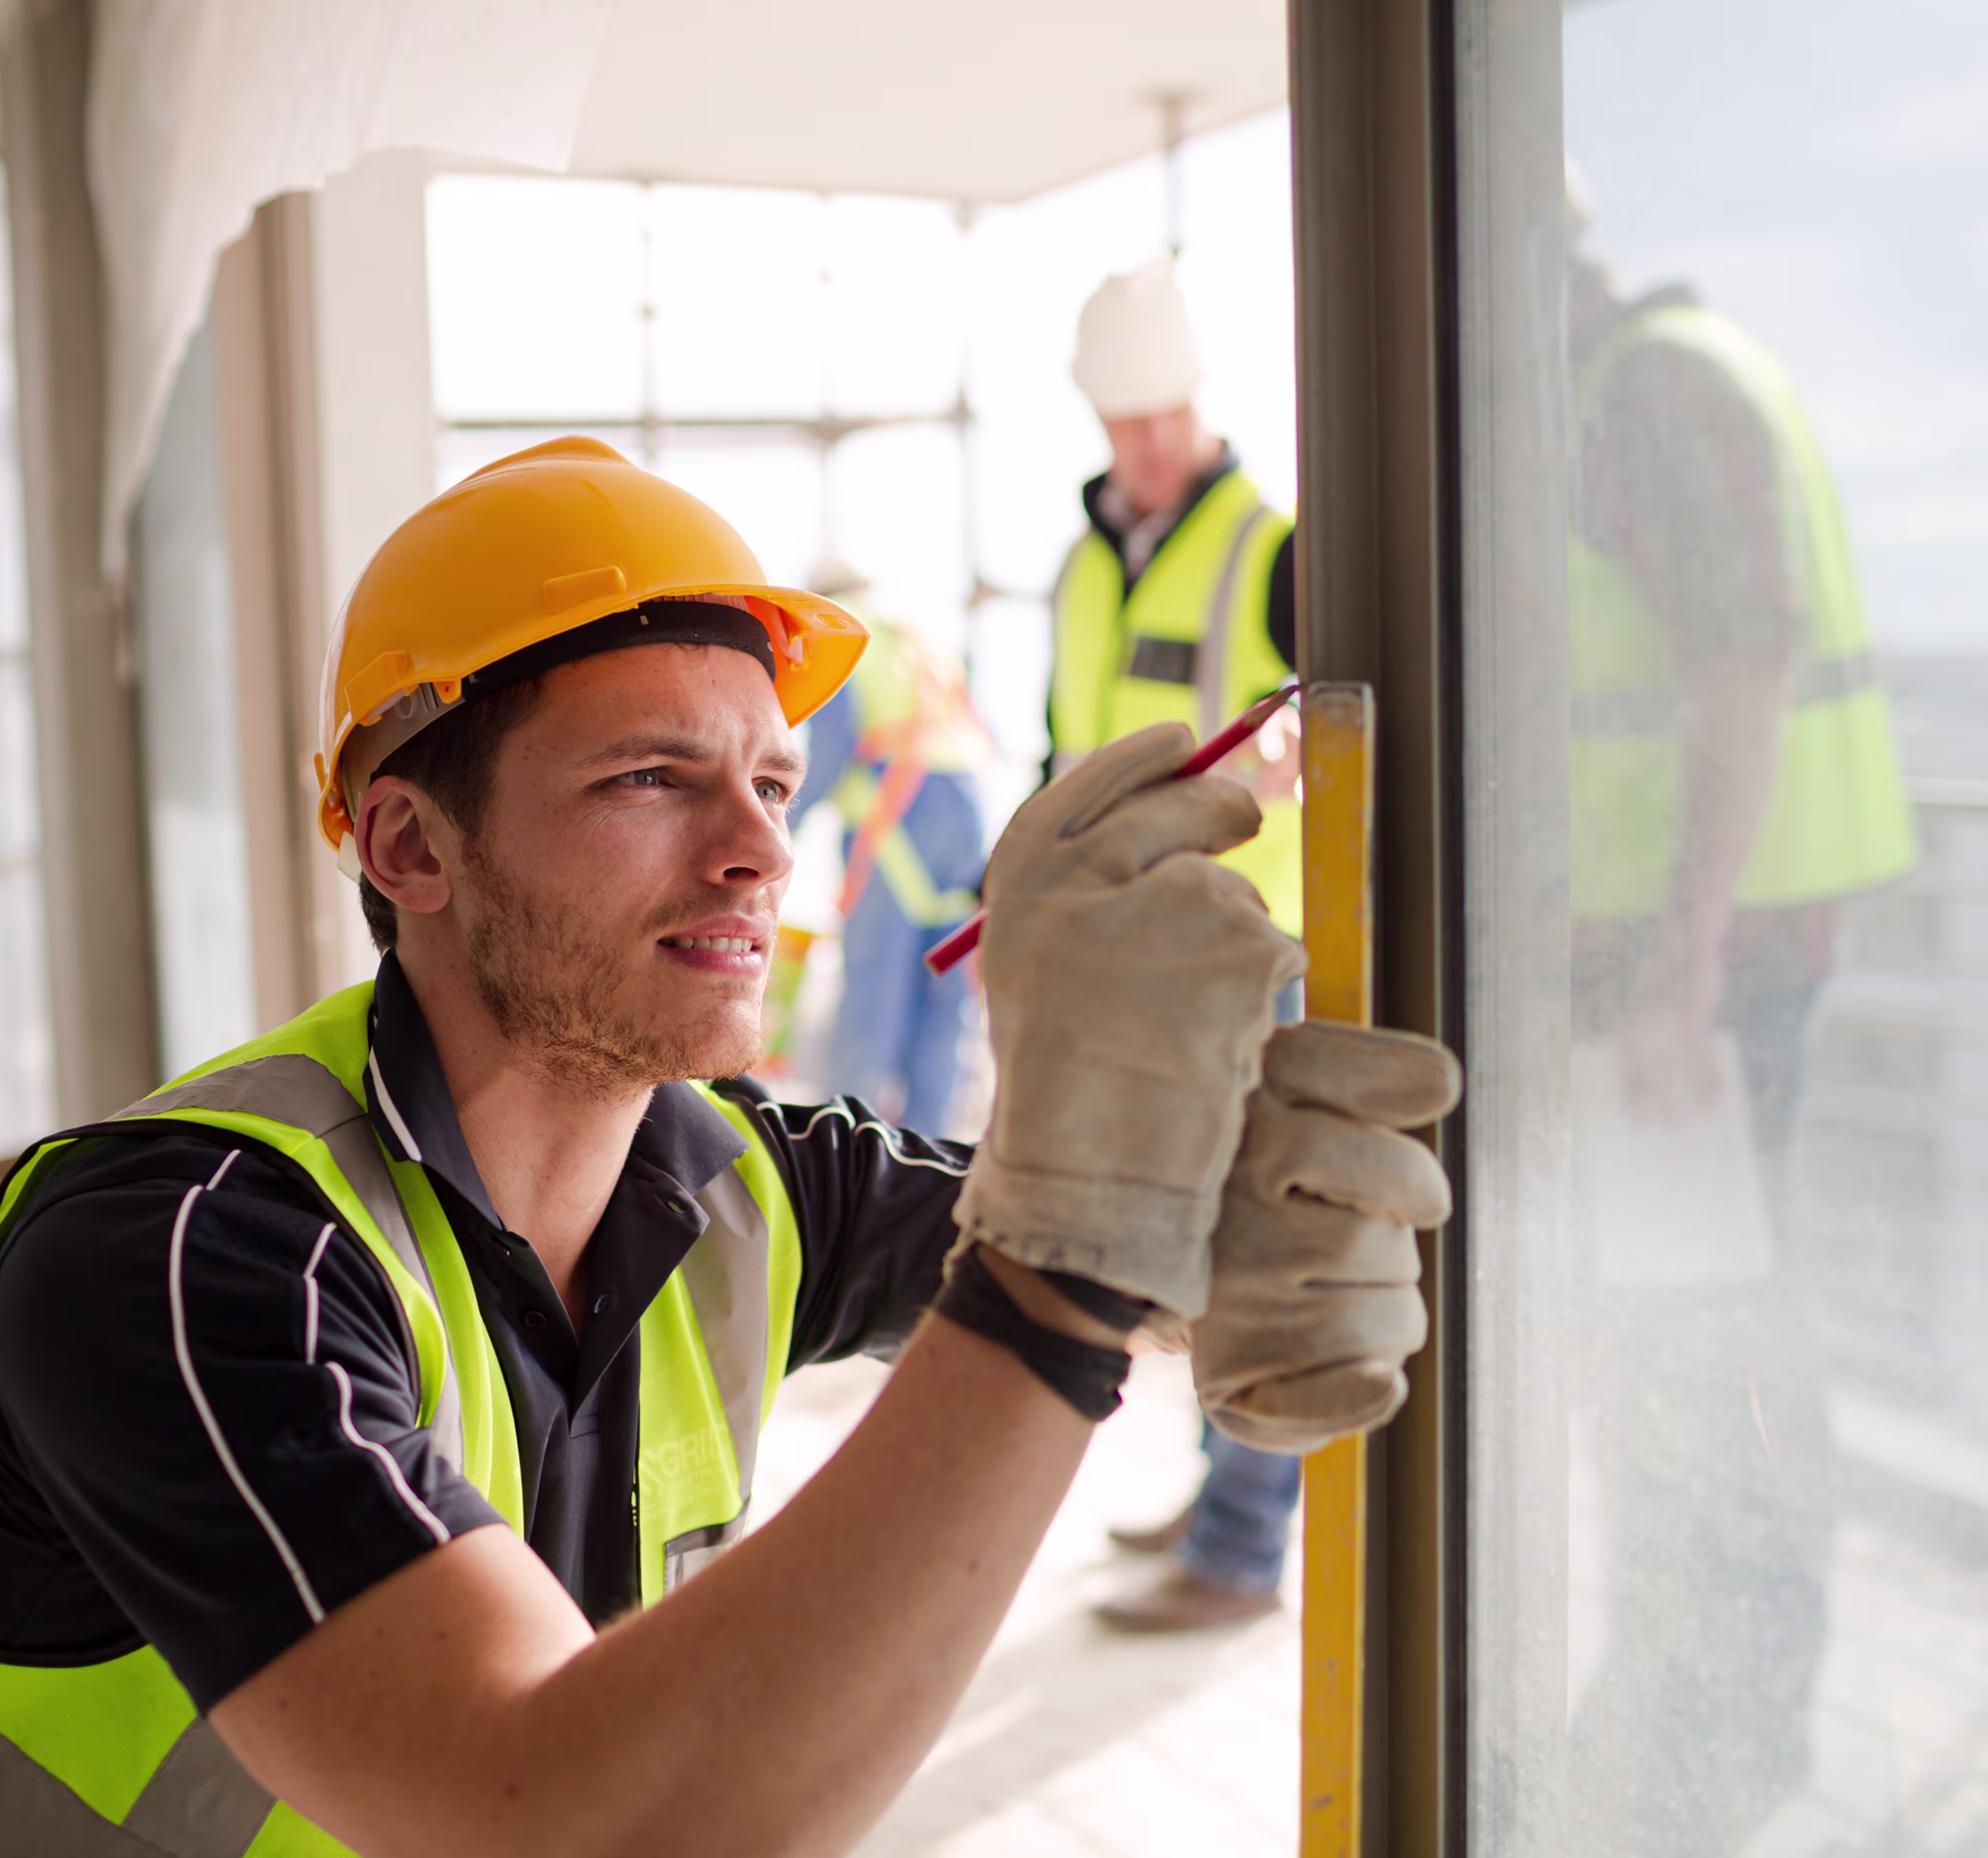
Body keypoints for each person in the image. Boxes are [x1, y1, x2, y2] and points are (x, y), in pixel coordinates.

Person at [0, 435, 1454, 1857]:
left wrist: (1268, 1220)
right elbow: (553, 1812)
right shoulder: (177, 1253)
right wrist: (1064, 1277)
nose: (761, 849)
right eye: (649, 776)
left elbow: (1159, 1240)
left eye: (772, 781)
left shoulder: (748, 1178)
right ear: (409, 849)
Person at [1563, 187, 1915, 1856]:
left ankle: (1709, 1739)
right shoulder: (1645, 376)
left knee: (1696, 1346)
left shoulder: (1649, 386)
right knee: (1689, 1330)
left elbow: (1742, 668)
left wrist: (1678, 969)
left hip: (1706, 978)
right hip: (1695, 964)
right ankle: (1675, 1708)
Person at [1051, 260, 1310, 1634]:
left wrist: (1298, 763)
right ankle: (1222, 1492)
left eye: (1166, 416)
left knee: (1257, 1245)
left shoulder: (1276, 552)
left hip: (1254, 951)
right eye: (1122, 422)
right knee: (1195, 1250)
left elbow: (1347, 736)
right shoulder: (1083, 569)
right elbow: (1060, 763)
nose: (1147, 447)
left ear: (1202, 399)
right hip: (1131, 956)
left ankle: (1243, 1545)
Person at [788, 560, 991, 1132]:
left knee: (873, 998)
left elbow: (826, 755)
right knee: (944, 997)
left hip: (897, 822)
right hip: (964, 822)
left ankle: (843, 1149)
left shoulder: (840, 639)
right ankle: (931, 1152)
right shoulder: (919, 639)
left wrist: (779, 825)